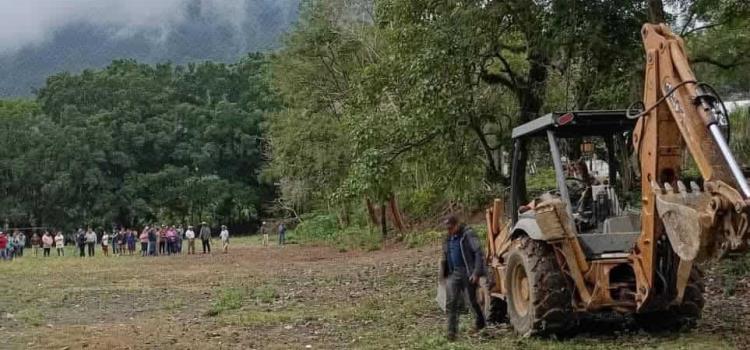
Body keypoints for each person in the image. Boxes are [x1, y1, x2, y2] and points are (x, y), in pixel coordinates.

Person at [440, 214, 486, 342]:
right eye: (447, 228)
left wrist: (476, 272)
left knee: (472, 301)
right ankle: (451, 333)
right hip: (454, 273)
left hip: (467, 271)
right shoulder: (448, 238)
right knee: (452, 303)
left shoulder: (468, 234)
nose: (448, 230)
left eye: (451, 228)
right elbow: (445, 256)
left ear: (457, 225)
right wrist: (444, 275)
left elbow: (478, 252)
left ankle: (480, 322)